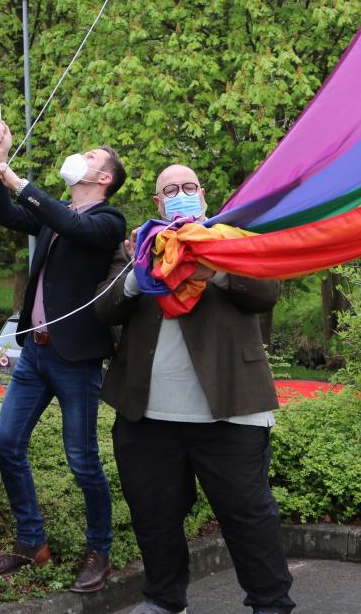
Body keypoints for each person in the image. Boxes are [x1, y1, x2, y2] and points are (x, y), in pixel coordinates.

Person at [94, 165, 296, 614]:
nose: (181, 194)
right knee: (154, 515)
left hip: (230, 408)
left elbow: (266, 292)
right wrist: (138, 270)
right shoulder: (139, 244)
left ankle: (270, 603)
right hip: (147, 414)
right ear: (158, 202)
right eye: (171, 190)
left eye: (188, 188)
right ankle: (164, 600)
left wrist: (215, 266)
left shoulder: (232, 236)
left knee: (247, 514)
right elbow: (103, 308)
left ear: (204, 197)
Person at [0, 120, 127, 593]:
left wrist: (20, 181)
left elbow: (70, 224)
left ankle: (98, 551)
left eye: (91, 156)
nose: (81, 158)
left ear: (104, 177)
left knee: (82, 460)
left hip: (76, 359)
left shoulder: (108, 222)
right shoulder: (58, 212)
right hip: (35, 355)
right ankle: (32, 543)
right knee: (5, 443)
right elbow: (6, 214)